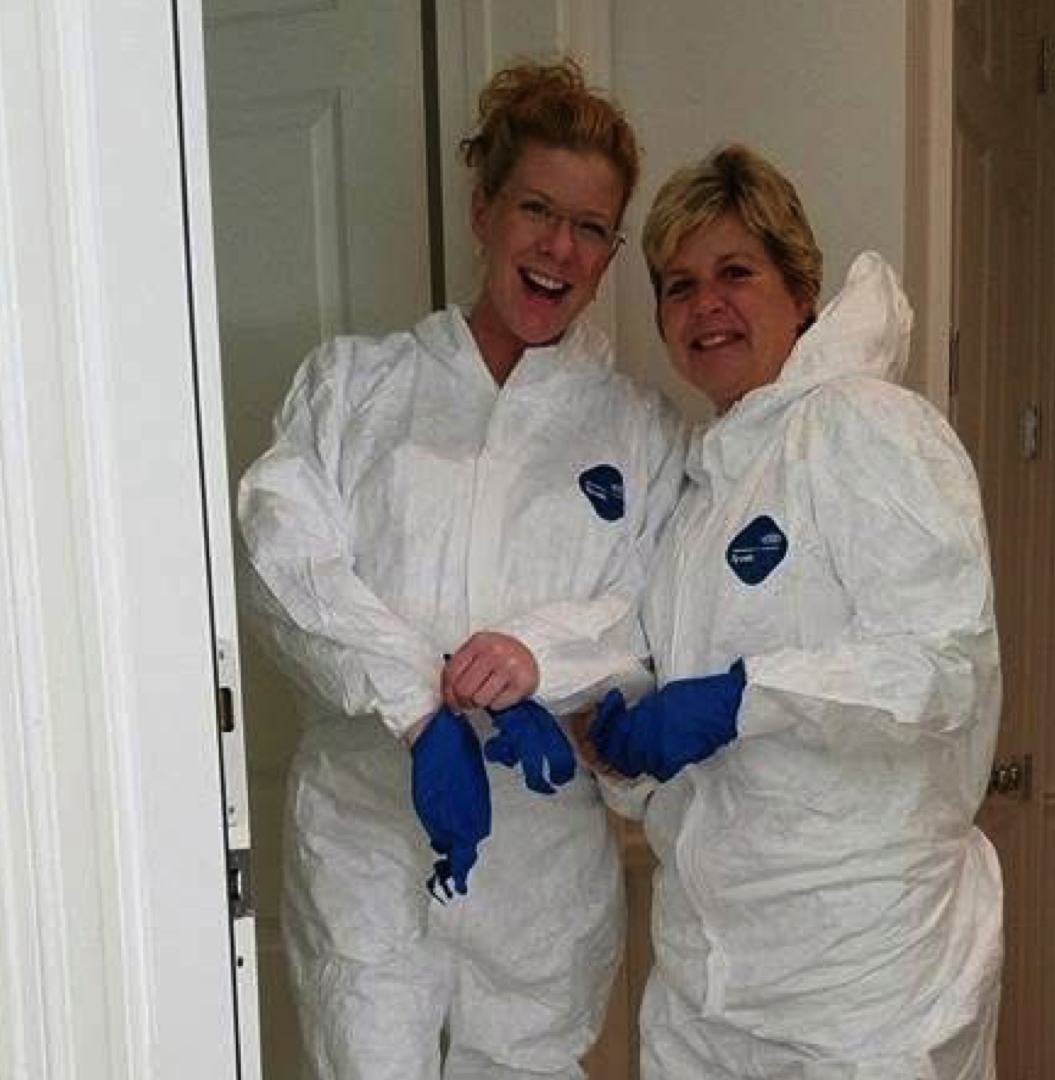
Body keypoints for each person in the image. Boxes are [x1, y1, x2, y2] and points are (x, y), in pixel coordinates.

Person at [237, 59, 684, 1080]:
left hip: (541, 861)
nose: (559, 248)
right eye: (537, 209)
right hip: (366, 838)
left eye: (591, 227)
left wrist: (540, 659)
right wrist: (416, 706)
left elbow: (656, 611)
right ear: (483, 211)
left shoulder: (638, 433)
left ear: (610, 252)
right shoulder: (356, 389)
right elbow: (281, 553)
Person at [584, 145, 1003, 1078]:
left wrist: (742, 698)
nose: (706, 305)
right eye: (679, 285)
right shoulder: (700, 495)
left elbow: (942, 668)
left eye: (735, 272)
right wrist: (615, 752)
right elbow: (693, 763)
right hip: (710, 981)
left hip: (864, 981)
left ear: (800, 287)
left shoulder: (866, 426)